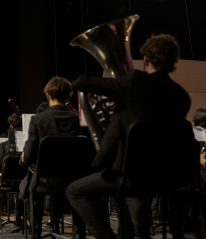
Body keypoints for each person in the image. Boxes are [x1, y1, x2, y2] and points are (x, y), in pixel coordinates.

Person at [66, 34, 191, 239]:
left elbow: (80, 83)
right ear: (173, 63)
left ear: (147, 60)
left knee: (73, 191)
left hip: (133, 173)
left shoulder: (135, 80)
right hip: (168, 176)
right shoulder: (181, 95)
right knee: (135, 191)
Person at [21, 76, 81, 238]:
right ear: (69, 97)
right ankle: (78, 233)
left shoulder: (38, 120)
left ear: (47, 96)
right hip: (73, 180)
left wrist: (24, 158)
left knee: (30, 184)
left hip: (44, 181)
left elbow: (29, 157)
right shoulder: (79, 121)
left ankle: (36, 233)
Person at [0, 113, 22, 225]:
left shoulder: (3, 146)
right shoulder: (26, 145)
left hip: (6, 182)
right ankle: (18, 217)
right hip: (21, 182)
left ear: (11, 127)